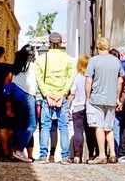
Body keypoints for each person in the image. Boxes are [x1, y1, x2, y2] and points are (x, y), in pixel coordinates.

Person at [35, 32, 76, 164]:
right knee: (63, 126)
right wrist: (62, 95)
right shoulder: (68, 59)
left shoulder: (42, 59)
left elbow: (39, 79)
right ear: (61, 43)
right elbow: (70, 79)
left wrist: (47, 95)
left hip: (48, 98)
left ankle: (43, 155)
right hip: (61, 98)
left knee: (45, 126)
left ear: (49, 43)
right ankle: (64, 156)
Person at [86, 37, 124, 164]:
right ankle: (113, 154)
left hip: (96, 98)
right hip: (111, 98)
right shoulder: (116, 61)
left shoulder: (94, 60)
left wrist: (87, 97)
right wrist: (117, 97)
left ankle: (102, 155)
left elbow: (88, 80)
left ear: (98, 47)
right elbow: (120, 81)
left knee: (99, 127)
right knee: (109, 127)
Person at [8, 45, 38, 162]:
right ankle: (19, 150)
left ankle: (14, 151)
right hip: (27, 94)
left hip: (16, 93)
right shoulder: (32, 66)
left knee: (19, 125)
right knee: (31, 125)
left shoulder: (17, 65)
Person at [68, 55, 90, 163]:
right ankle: (91, 155)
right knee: (90, 132)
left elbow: (72, 93)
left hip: (78, 107)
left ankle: (77, 156)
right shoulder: (92, 77)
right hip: (90, 107)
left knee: (78, 131)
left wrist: (68, 106)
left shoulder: (76, 77)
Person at [109, 48, 125, 156]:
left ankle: (106, 152)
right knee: (115, 127)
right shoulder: (120, 69)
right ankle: (115, 153)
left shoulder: (107, 69)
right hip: (116, 103)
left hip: (106, 101)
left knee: (104, 127)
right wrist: (121, 101)